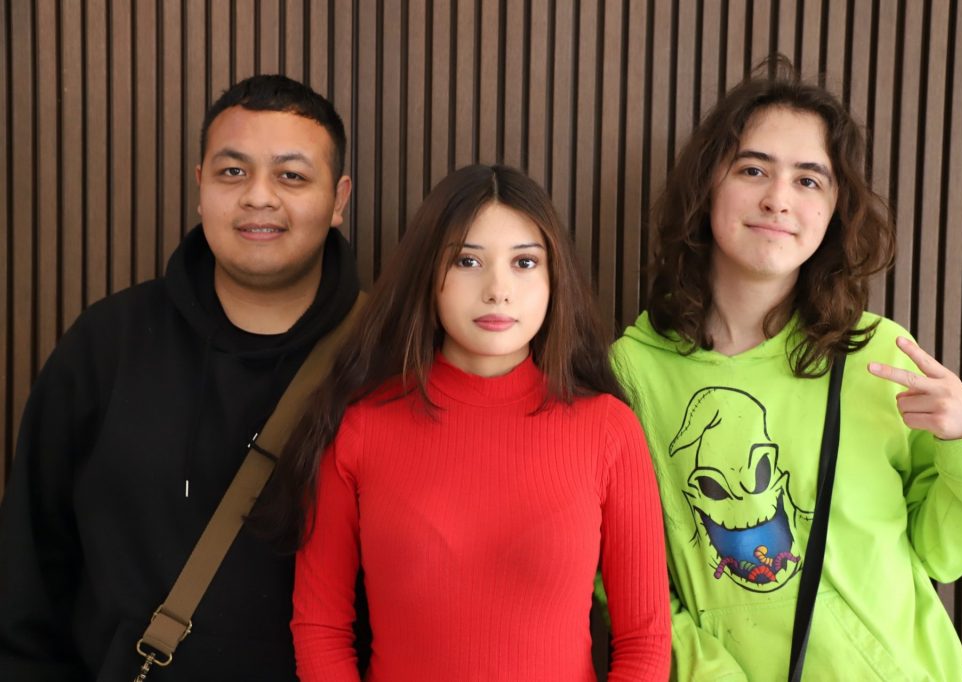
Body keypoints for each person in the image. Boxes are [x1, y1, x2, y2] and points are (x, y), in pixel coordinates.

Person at [611, 59, 962, 680]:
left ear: (834, 210)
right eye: (753, 170)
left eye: (809, 180)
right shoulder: (636, 373)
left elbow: (943, 550)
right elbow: (620, 573)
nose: (778, 199)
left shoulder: (877, 354)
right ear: (707, 185)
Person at [0, 74, 362, 680]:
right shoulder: (106, 344)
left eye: (292, 176)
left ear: (339, 198)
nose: (258, 197)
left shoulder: (383, 358)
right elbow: (29, 569)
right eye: (232, 172)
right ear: (200, 186)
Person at [264, 164, 671, 680]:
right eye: (467, 260)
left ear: (555, 279)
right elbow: (321, 627)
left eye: (525, 262)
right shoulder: (360, 427)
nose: (498, 289)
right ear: (428, 276)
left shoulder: (609, 430)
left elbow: (645, 640)